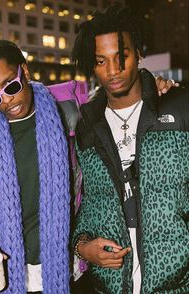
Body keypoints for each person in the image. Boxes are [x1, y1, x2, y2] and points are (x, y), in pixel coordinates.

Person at [0, 39, 176, 294]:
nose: (6, 100)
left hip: (67, 269)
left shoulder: (72, 114)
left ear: (24, 71)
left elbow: (121, 104)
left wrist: (150, 87)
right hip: (1, 278)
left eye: (10, 85)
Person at [72, 3, 189, 294]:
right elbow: (90, 202)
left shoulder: (180, 107)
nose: (113, 71)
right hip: (109, 284)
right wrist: (82, 247)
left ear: (138, 54)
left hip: (176, 283)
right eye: (101, 61)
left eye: (120, 57)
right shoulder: (87, 125)